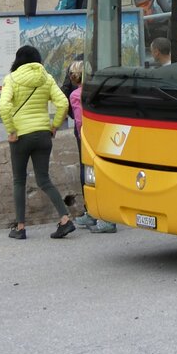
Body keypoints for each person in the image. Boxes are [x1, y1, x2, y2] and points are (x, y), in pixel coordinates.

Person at [0, 45, 75, 239]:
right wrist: (55, 126)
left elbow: (4, 106)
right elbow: (63, 103)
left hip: (21, 137)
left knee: (19, 180)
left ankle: (21, 227)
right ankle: (65, 219)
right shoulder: (46, 78)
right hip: (43, 134)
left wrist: (11, 130)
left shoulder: (11, 79)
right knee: (43, 179)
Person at [65, 62, 118, 234]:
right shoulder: (98, 90)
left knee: (89, 176)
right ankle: (103, 215)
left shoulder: (75, 95)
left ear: (74, 76)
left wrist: (83, 139)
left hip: (88, 139)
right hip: (105, 137)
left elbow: (80, 121)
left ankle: (99, 216)